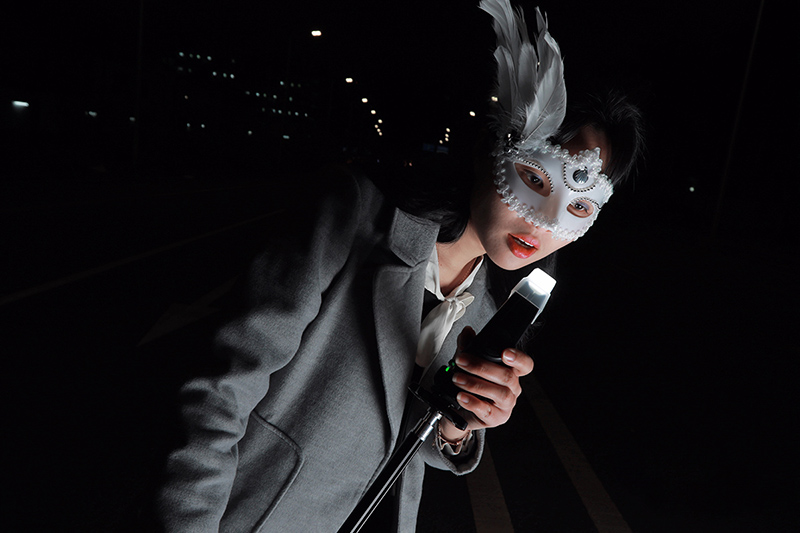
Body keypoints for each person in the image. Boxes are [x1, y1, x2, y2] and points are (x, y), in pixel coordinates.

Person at [156, 1, 644, 531]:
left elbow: (412, 443)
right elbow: (216, 395)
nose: (543, 224)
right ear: (488, 151)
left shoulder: (487, 310)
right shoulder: (353, 217)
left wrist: (459, 422)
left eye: (579, 207)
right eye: (535, 178)